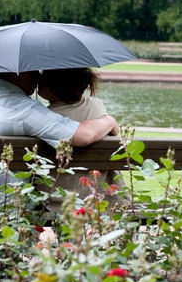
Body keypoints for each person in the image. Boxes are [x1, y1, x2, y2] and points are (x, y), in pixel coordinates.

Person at [0, 70, 117, 273]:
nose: (38, 76)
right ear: (16, 74)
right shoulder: (22, 108)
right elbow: (84, 135)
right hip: (3, 203)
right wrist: (110, 121)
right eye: (33, 71)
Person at [38, 68, 125, 211]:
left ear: (54, 86)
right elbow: (116, 131)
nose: (39, 79)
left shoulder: (44, 116)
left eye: (44, 76)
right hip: (98, 199)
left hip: (52, 201)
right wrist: (110, 121)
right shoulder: (97, 107)